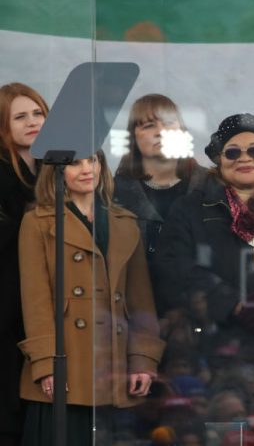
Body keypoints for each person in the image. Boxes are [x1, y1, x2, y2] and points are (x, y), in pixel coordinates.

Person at [154, 114, 254, 433]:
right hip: (216, 350)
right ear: (218, 160)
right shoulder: (189, 209)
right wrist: (233, 304)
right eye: (232, 152)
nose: (244, 158)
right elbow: (175, 266)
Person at [17, 150, 165, 445]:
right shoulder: (37, 222)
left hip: (114, 364)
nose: (87, 169)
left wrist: (142, 359)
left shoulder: (125, 222)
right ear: (56, 170)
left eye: (93, 160)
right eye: (75, 162)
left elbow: (140, 301)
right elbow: (35, 302)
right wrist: (46, 364)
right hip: (66, 364)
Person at [113, 94, 208, 314]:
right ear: (133, 137)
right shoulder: (113, 192)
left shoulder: (210, 186)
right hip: (133, 314)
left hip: (201, 313)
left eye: (168, 123)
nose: (160, 131)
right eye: (148, 125)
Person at [0, 82, 47, 446]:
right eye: (20, 116)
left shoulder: (60, 169)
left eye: (38, 113)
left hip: (42, 305)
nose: (32, 122)